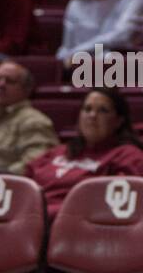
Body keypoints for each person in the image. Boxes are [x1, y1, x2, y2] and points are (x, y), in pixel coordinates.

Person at [26, 89, 143, 223]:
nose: (92, 115)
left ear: (118, 121)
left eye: (103, 110)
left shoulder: (128, 155)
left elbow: (118, 205)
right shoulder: (58, 152)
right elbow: (23, 187)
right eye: (87, 109)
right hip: (30, 220)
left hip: (75, 227)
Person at [0, 62, 58, 175]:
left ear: (26, 90)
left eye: (10, 81)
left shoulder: (33, 121)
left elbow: (37, 162)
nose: (1, 85)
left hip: (3, 187)